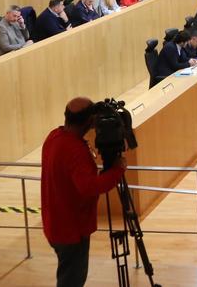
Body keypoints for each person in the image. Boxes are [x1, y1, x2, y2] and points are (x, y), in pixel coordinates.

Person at [40, 97, 127, 287]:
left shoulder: (54, 136)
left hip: (55, 224)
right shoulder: (75, 150)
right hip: (71, 229)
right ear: (90, 121)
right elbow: (90, 187)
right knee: (72, 281)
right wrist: (117, 170)